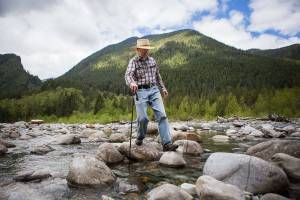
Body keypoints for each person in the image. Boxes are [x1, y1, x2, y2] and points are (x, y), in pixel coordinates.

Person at [124, 38, 178, 151]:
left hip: (154, 90)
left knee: (162, 116)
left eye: (147, 49)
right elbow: (128, 75)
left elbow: (158, 76)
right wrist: (132, 83)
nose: (146, 51)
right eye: (143, 49)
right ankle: (140, 137)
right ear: (138, 49)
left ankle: (167, 144)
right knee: (143, 118)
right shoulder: (133, 61)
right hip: (140, 91)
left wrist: (163, 88)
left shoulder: (152, 60)